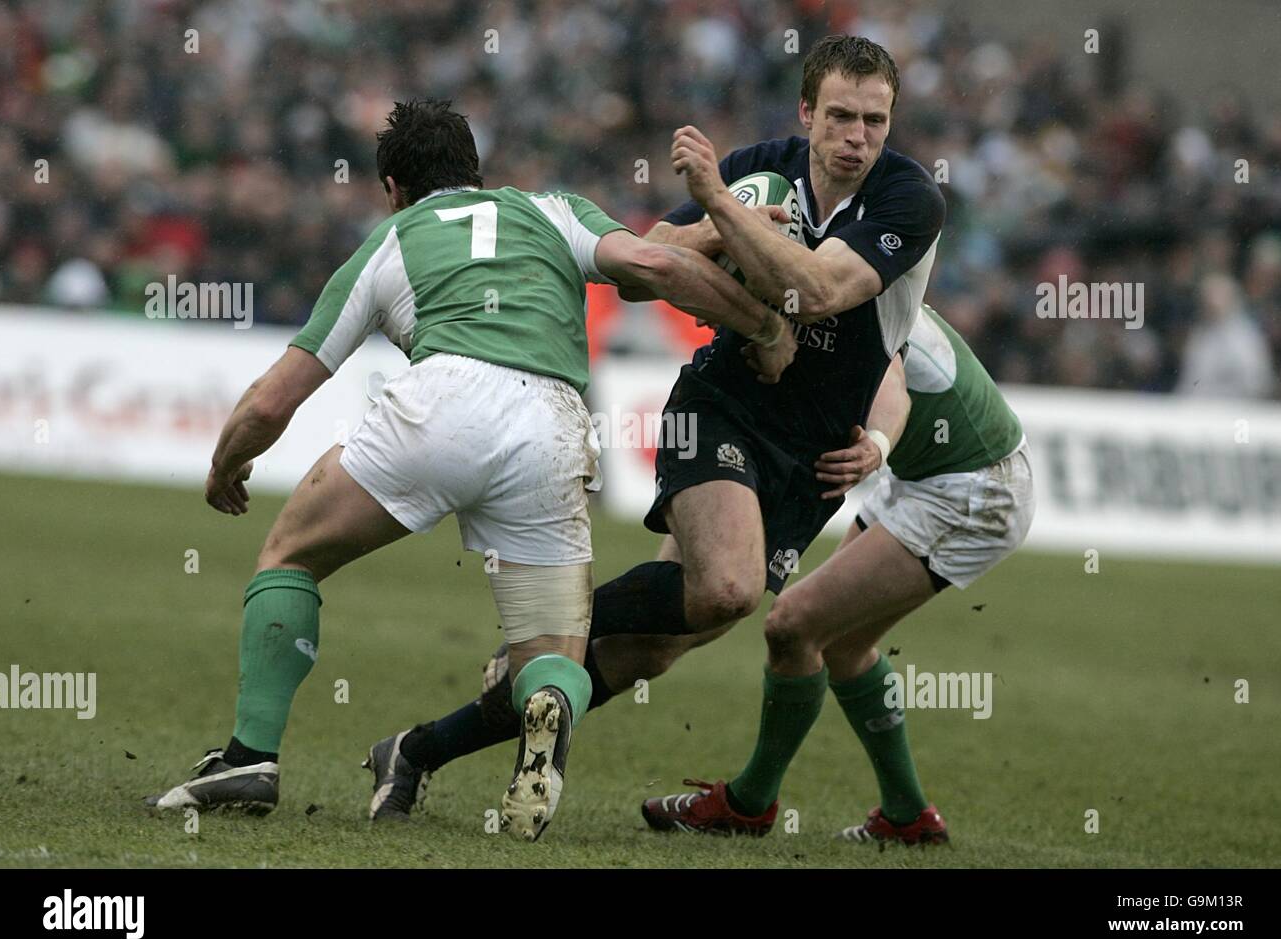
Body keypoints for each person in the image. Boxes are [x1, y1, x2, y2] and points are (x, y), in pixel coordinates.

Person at [144, 97, 794, 842]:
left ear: (392, 188)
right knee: (551, 653)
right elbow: (653, 261)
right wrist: (766, 323)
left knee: (291, 553)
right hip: (550, 425)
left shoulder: (388, 241)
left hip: (440, 405)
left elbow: (273, 400)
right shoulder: (553, 210)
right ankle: (547, 706)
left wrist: (228, 462)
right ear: (478, 173)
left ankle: (249, 757)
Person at [365, 35, 947, 822]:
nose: (857, 138)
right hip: (723, 405)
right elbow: (648, 260)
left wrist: (727, 210)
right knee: (730, 587)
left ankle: (417, 749)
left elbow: (825, 287)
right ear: (806, 110)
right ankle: (553, 624)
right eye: (840, 116)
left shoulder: (910, 198)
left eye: (875, 120)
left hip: (811, 453)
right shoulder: (761, 164)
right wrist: (720, 215)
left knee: (655, 648)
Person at [641, 304, 1034, 842]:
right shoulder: (847, 279)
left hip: (972, 487)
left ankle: (749, 804)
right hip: (926, 476)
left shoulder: (847, 300)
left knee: (793, 626)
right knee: (841, 645)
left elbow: (887, 376)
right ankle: (908, 817)